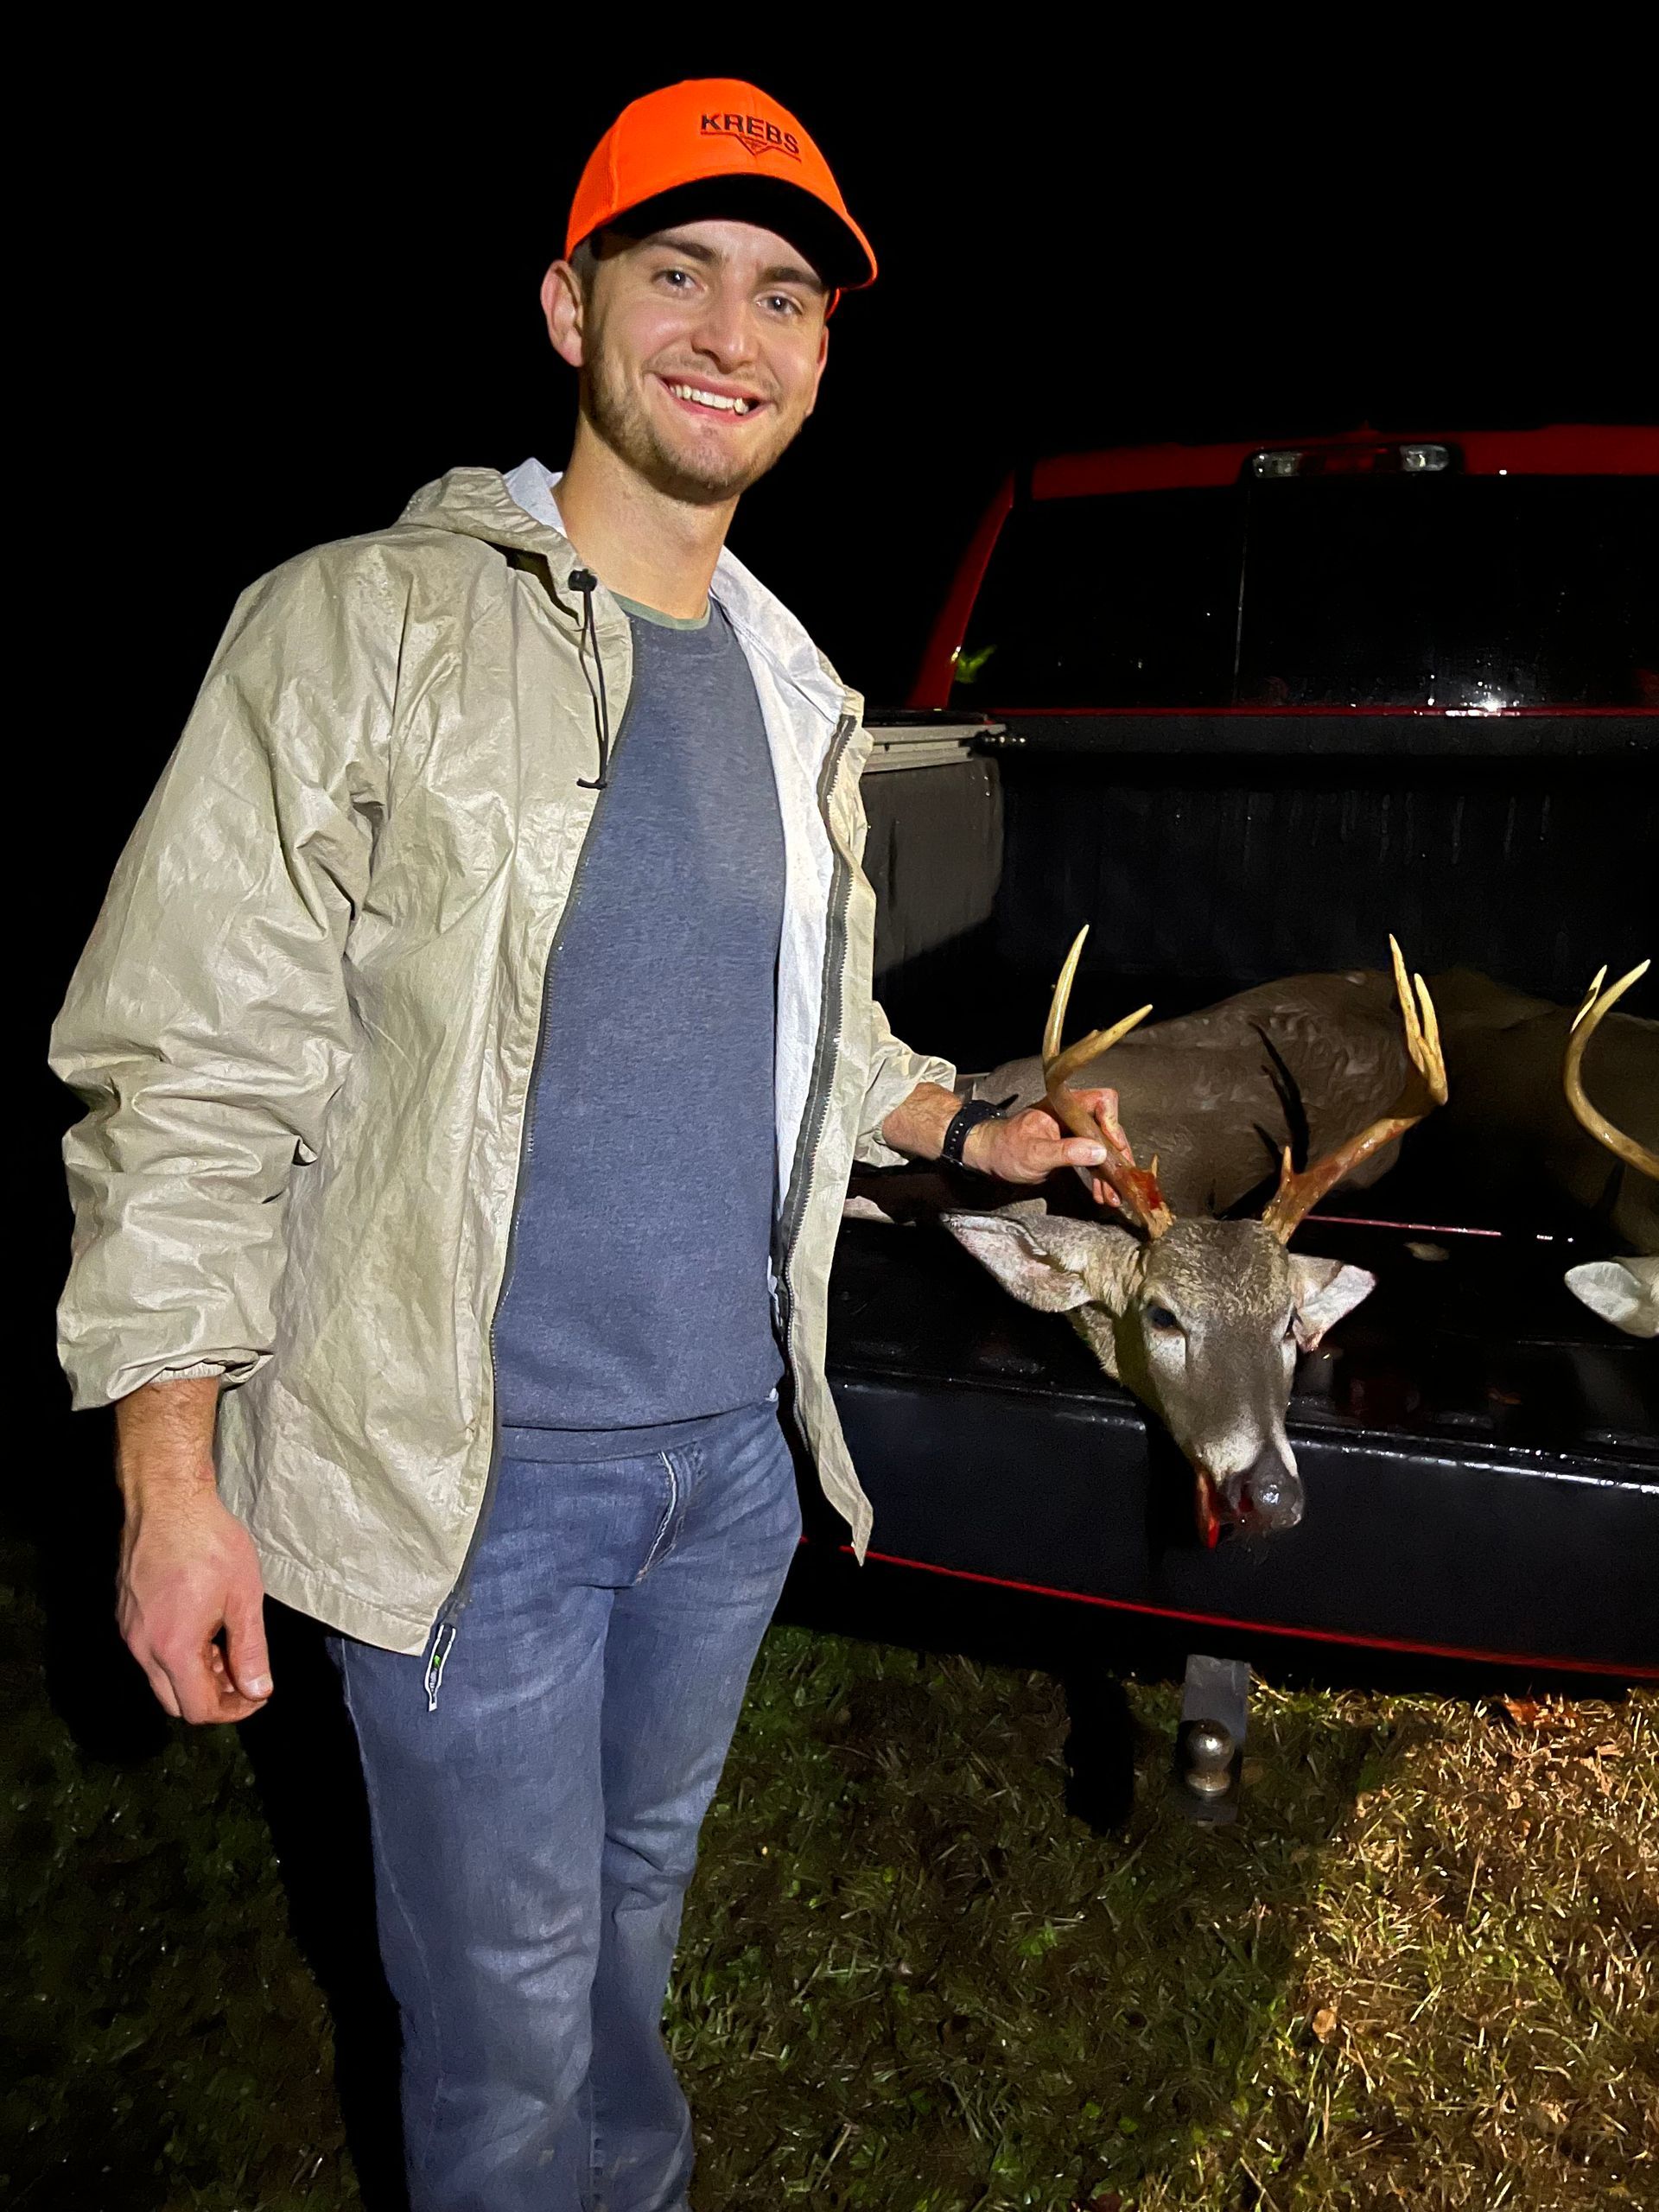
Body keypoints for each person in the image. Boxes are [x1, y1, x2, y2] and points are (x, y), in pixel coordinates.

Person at [53, 78, 1112, 2212]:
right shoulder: (360, 625)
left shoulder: (807, 687)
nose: (732, 328)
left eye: (784, 293)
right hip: (473, 1487)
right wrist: (172, 1474)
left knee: (632, 1917)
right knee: (508, 1999)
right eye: (679, 272)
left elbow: (814, 1023)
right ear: (571, 305)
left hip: (729, 1465)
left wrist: (965, 1118)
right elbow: (190, 1065)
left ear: (823, 353)